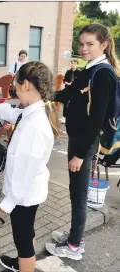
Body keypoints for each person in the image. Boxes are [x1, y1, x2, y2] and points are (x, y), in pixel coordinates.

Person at [0, 61, 60, 272]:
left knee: (23, 242)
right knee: (26, 232)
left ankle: (25, 264)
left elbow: (26, 171)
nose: (13, 90)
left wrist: (9, 201)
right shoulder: (31, 111)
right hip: (26, 193)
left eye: (15, 85)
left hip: (23, 195)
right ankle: (21, 263)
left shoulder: (35, 125)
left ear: (26, 86)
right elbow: (13, 115)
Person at [46, 23, 119, 260]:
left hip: (83, 144)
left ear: (104, 45)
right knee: (75, 190)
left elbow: (97, 120)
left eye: (90, 44)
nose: (84, 48)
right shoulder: (90, 69)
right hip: (78, 139)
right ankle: (75, 235)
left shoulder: (103, 74)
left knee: (78, 193)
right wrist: (43, 95)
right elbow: (69, 93)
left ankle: (74, 246)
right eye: (81, 43)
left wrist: (80, 153)